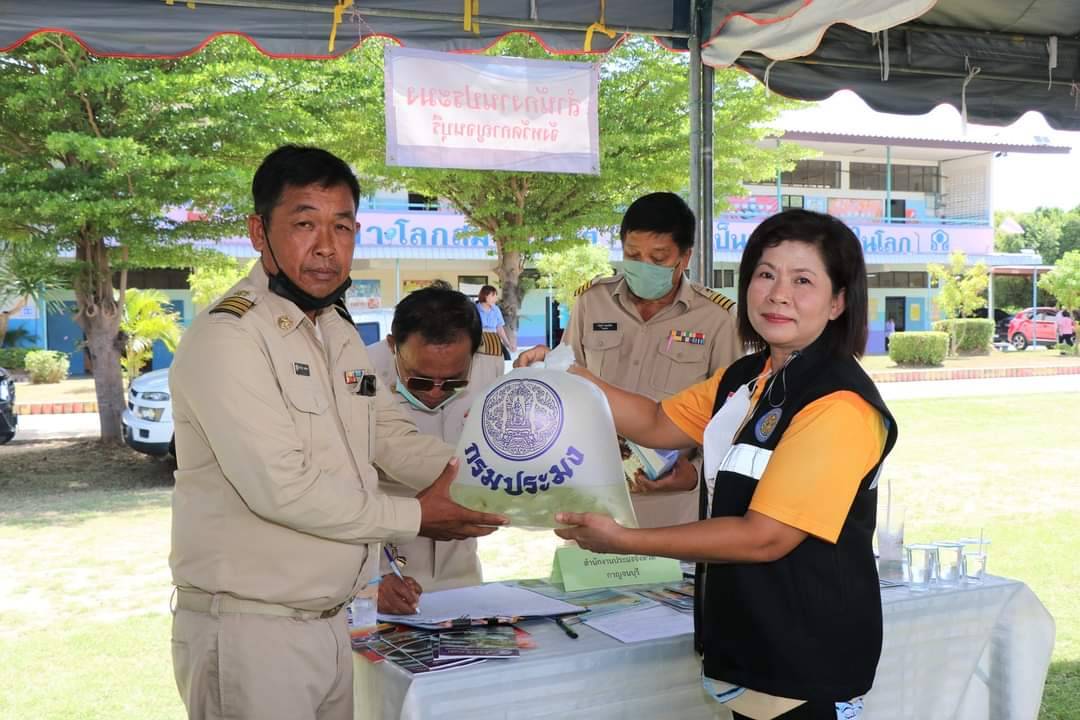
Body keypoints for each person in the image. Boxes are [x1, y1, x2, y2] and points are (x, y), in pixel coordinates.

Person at [168, 145, 506, 720]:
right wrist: (421, 517)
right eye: (304, 224)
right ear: (258, 232)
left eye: (342, 226)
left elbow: (386, 438)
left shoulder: (336, 332)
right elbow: (284, 488)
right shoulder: (231, 338)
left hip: (335, 622)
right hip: (255, 631)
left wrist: (498, 479)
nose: (327, 247)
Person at [555, 209, 898, 719]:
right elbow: (654, 421)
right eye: (765, 274)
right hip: (749, 642)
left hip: (804, 658)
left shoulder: (839, 404)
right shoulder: (748, 375)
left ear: (838, 301)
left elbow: (766, 536)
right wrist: (567, 374)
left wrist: (624, 540)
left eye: (802, 280)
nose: (778, 294)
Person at [515, 192, 742, 528]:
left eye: (659, 258)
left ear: (685, 257)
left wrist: (694, 474)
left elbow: (731, 416)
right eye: (633, 255)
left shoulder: (718, 319)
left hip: (671, 508)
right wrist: (540, 365)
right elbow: (566, 385)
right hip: (592, 496)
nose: (643, 266)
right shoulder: (592, 303)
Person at [365, 283, 505, 614]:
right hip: (388, 572)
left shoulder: (490, 366)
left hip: (461, 571)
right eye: (420, 381)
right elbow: (394, 455)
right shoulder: (358, 375)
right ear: (392, 347)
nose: (436, 392)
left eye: (455, 381)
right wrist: (368, 581)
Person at [476, 284, 514, 360]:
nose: (496, 298)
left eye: (496, 295)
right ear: (485, 296)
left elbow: (499, 328)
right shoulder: (475, 309)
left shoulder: (496, 309)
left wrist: (508, 344)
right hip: (479, 340)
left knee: (507, 357)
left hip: (494, 340)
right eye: (493, 295)